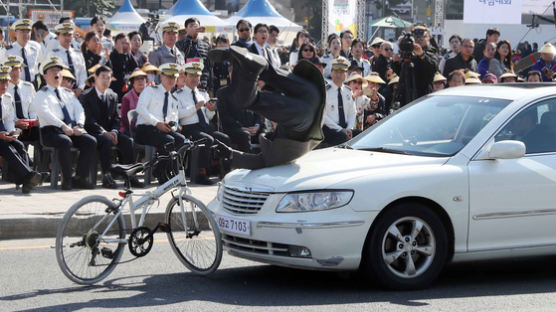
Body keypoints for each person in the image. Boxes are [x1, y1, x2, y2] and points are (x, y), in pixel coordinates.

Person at [208, 45, 325, 169]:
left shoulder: (274, 155)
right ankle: (248, 66)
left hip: (314, 94)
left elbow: (257, 160)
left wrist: (230, 153)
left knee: (270, 76)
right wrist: (231, 154)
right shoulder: (276, 157)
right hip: (304, 118)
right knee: (248, 100)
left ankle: (248, 63)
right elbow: (258, 161)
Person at [33, 57, 97, 190]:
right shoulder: (41, 94)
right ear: (45, 76)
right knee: (65, 142)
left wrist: (79, 125)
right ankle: (67, 179)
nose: (57, 73)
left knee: (90, 141)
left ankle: (80, 178)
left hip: (71, 128)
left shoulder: (68, 93)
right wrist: (62, 126)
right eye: (52, 71)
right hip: (51, 131)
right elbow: (45, 113)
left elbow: (80, 110)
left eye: (58, 71)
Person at [79, 65, 141, 188]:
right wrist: (104, 132)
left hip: (111, 133)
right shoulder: (86, 96)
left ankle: (131, 175)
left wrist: (114, 131)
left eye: (108, 78)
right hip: (94, 132)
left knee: (128, 141)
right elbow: (88, 120)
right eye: (103, 77)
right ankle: (107, 176)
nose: (106, 80)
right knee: (106, 141)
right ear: (95, 77)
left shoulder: (113, 95)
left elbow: (116, 119)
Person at [176, 61, 230, 184]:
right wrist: (195, 107)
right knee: (207, 140)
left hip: (205, 126)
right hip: (189, 128)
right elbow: (178, 114)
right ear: (185, 76)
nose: (195, 79)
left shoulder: (202, 93)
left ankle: (225, 172)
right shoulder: (178, 94)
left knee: (224, 138)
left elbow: (208, 116)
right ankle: (201, 173)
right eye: (192, 76)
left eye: (197, 76)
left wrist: (211, 110)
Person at [134, 63, 187, 183]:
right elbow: (140, 109)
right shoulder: (150, 90)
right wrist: (157, 123)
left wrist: (172, 126)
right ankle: (160, 172)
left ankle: (170, 170)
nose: (171, 80)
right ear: (161, 76)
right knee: (168, 140)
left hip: (162, 130)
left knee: (182, 140)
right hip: (145, 129)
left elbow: (174, 119)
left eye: (173, 77)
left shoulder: (173, 98)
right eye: (168, 76)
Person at [0, 65, 42, 193]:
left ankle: (26, 181)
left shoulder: (6, 98)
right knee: (6, 147)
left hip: (3, 134)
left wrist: (12, 131)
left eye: (6, 82)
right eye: (1, 82)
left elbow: (7, 119)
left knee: (18, 145)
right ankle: (29, 176)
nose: (4, 85)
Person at [393, 25, 438, 107]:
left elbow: (432, 68)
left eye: (422, 38)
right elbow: (401, 72)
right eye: (416, 38)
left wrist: (421, 55)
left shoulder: (431, 52)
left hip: (423, 94)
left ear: (428, 38)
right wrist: (395, 62)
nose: (418, 40)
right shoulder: (408, 51)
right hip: (406, 93)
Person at [44, 22, 88, 96]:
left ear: (73, 37)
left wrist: (80, 89)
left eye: (69, 35)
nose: (67, 38)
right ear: (58, 37)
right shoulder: (53, 54)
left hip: (79, 93)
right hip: (60, 92)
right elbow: (51, 75)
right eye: (64, 35)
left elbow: (83, 73)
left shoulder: (78, 53)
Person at [322, 57, 356, 146]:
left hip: (345, 128)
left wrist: (349, 129)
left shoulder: (348, 91)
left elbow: (352, 112)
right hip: (330, 129)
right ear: (331, 73)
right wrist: (340, 130)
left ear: (346, 75)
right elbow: (323, 116)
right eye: (336, 72)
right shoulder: (325, 91)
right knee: (342, 137)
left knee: (361, 135)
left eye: (341, 72)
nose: (338, 75)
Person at [4, 56, 38, 142]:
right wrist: (15, 123)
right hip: (11, 126)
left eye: (16, 69)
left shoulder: (29, 87)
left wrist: (33, 122)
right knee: (14, 136)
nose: (13, 73)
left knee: (43, 133)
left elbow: (33, 110)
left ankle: (41, 155)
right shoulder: (3, 89)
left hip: (28, 124)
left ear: (21, 70)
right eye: (10, 70)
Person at [176, 17, 211, 90]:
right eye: (191, 26)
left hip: (202, 85)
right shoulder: (179, 44)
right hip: (185, 85)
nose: (194, 28)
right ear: (186, 29)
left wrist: (210, 87)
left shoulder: (206, 45)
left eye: (196, 26)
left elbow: (208, 68)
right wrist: (190, 36)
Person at [4, 19, 42, 84]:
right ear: (15, 33)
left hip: (32, 85)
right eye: (22, 31)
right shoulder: (7, 51)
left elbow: (40, 66)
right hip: (15, 86)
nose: (26, 34)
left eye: (28, 31)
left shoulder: (36, 48)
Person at [110, 33, 138, 100]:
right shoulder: (112, 55)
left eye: (127, 43)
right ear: (116, 44)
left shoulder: (128, 54)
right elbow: (120, 69)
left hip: (127, 87)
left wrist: (129, 53)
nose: (125, 45)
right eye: (122, 43)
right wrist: (120, 53)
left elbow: (135, 66)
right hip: (116, 88)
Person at [120, 69, 147, 135]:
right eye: (137, 79)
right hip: (131, 130)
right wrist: (137, 128)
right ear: (133, 83)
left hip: (148, 128)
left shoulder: (150, 95)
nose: (140, 81)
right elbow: (125, 119)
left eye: (142, 79)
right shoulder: (127, 97)